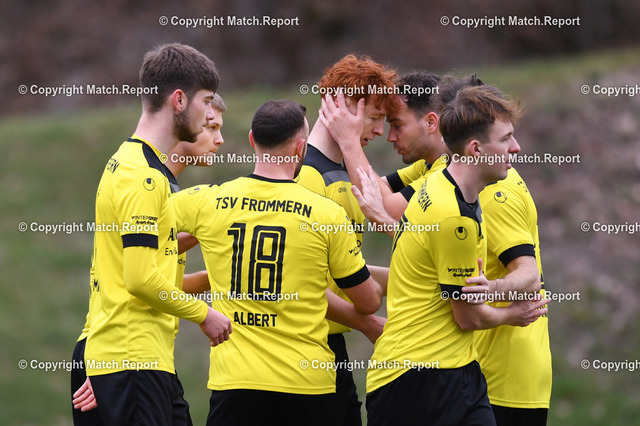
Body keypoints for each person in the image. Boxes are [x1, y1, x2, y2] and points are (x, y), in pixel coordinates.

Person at [170, 99, 384, 426]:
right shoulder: (327, 214)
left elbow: (131, 234)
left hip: (236, 385)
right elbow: (368, 302)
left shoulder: (206, 202)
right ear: (301, 148)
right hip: (307, 385)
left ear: (252, 140)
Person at [364, 85, 549, 425]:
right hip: (417, 378)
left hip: (458, 369)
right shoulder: (455, 218)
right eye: (506, 139)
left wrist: (491, 290)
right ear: (476, 149)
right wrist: (513, 313)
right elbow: (468, 317)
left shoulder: (442, 184)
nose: (517, 147)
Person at [80, 43, 232, 426]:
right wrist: (204, 314)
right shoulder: (143, 177)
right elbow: (139, 279)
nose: (210, 115)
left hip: (142, 362)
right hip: (133, 360)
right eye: (206, 102)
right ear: (179, 100)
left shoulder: (134, 164)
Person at [296, 53, 395, 425]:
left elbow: (341, 269)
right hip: (304, 349)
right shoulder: (307, 176)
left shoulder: (340, 171)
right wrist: (366, 323)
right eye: (375, 117)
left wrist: (421, 280)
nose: (381, 130)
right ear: (345, 105)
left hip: (330, 347)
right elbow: (300, 283)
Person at [475, 168, 552, 425]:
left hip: (502, 377)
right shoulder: (472, 183)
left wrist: (487, 289)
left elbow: (530, 277)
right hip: (506, 375)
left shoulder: (494, 197)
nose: (515, 150)